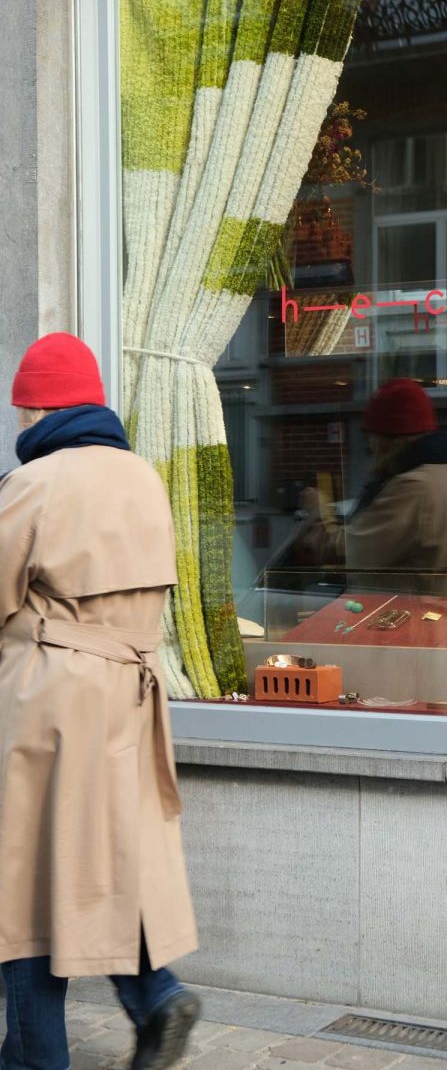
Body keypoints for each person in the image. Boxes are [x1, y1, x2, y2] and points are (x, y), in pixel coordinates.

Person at [0, 334, 199, 1070]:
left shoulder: (36, 485)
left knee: (23, 890)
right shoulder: (144, 477)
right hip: (131, 701)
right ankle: (157, 996)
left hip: (48, 703)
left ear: (38, 406)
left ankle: (34, 1059)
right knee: (107, 866)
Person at [294, 378, 447, 595]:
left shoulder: (414, 487)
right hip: (438, 621)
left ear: (388, 439)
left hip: (409, 624)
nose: (370, 446)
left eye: (372, 437)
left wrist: (318, 511)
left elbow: (348, 551)